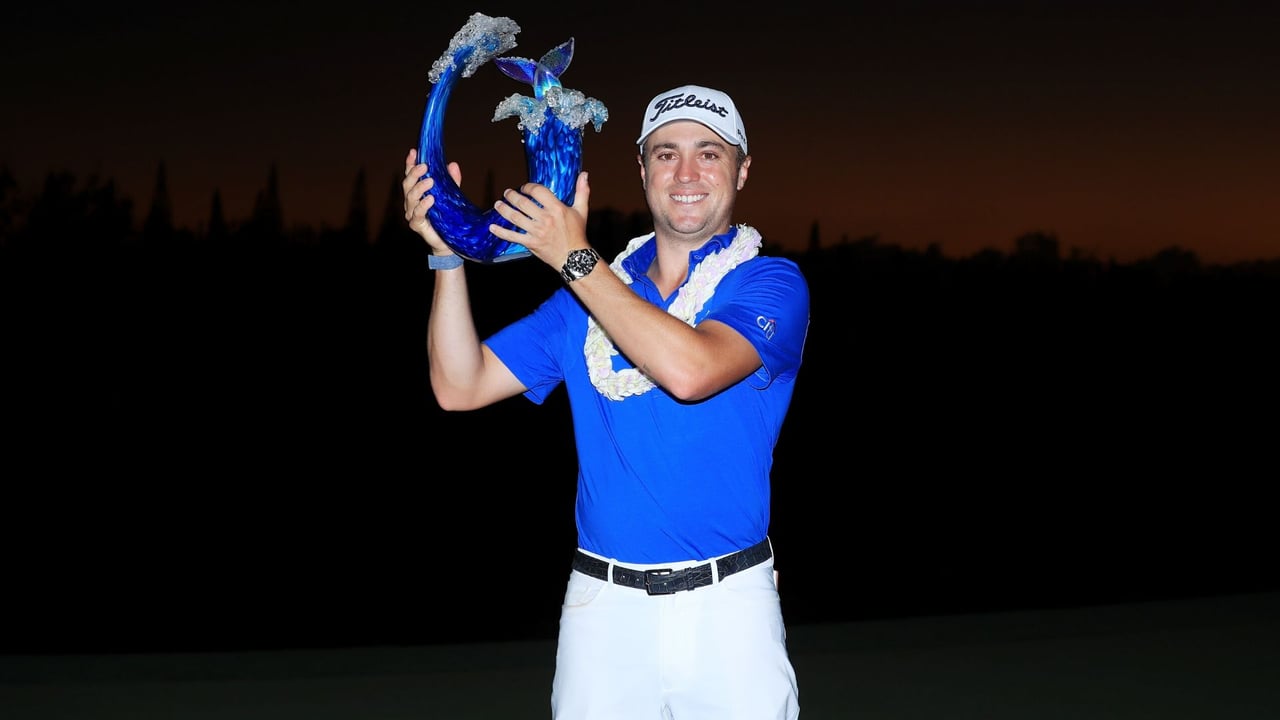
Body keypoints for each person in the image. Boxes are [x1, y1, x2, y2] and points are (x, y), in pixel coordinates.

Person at [403, 84, 808, 720]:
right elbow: (460, 384)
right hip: (603, 611)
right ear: (642, 169)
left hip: (730, 608)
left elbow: (690, 370)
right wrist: (445, 257)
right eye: (666, 153)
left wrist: (573, 256)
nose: (686, 173)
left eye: (710, 154)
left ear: (742, 170)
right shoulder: (584, 299)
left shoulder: (769, 282)